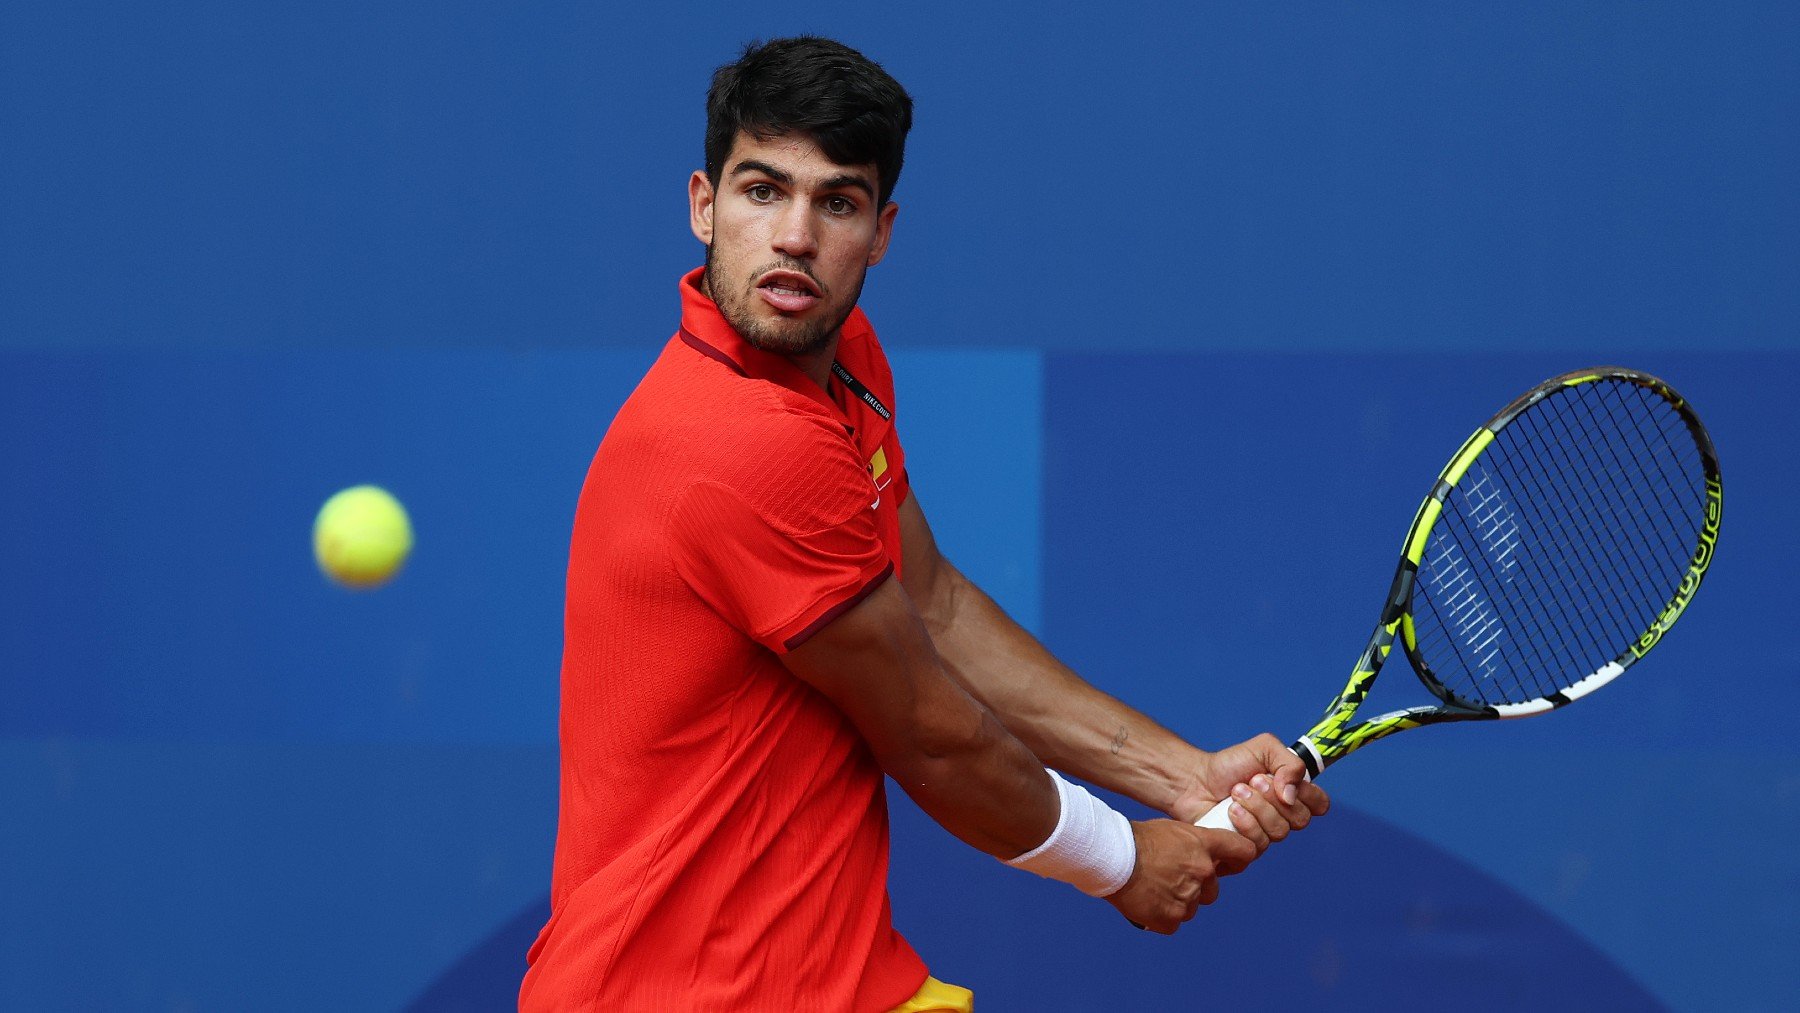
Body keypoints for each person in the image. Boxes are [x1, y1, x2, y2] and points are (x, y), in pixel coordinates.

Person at [518, 36, 1329, 1012]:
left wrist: (1183, 773)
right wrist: (1123, 859)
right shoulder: (733, 441)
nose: (794, 236)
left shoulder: (843, 357)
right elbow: (930, 729)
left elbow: (930, 602)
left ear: (882, 229)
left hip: (839, 984)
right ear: (703, 204)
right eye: (762, 191)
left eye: (837, 202)